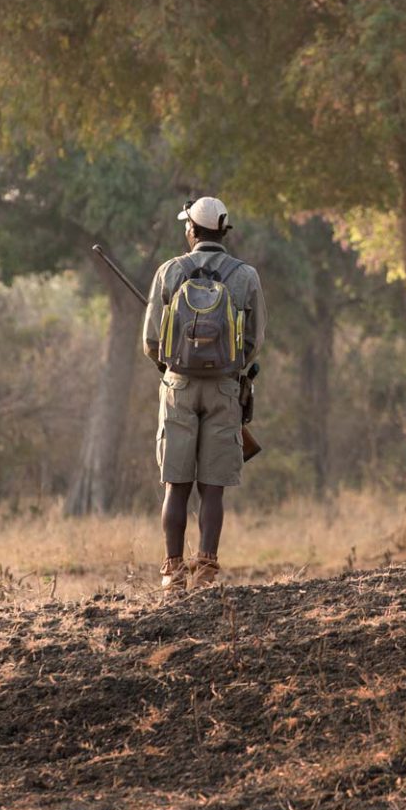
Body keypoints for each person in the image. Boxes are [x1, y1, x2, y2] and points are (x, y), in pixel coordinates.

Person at [143, 196, 264, 592]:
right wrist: (228, 367)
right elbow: (254, 341)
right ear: (223, 231)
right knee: (213, 486)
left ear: (192, 230)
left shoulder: (169, 271)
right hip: (225, 389)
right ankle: (207, 568)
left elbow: (150, 341)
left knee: (176, 484)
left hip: (177, 387)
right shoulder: (245, 275)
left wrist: (174, 367)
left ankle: (172, 571)